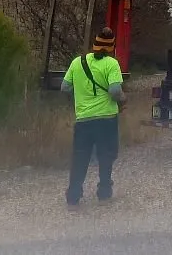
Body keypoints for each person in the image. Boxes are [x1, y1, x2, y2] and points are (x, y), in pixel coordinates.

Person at [61, 27, 127, 210]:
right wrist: (123, 99)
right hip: (106, 119)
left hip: (83, 120)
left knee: (80, 158)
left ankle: (73, 198)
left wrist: (80, 97)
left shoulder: (77, 62)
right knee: (106, 156)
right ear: (111, 47)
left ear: (94, 44)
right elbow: (115, 91)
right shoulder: (111, 64)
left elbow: (64, 87)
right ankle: (104, 193)